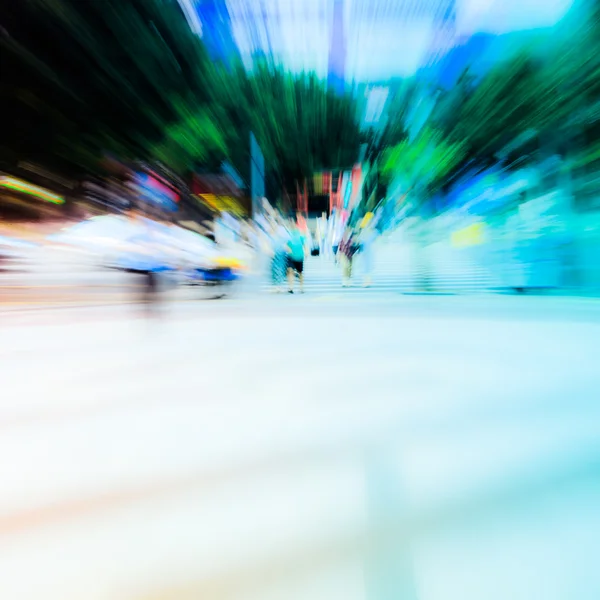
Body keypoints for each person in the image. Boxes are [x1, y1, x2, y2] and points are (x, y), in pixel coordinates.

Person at [286, 221, 306, 294]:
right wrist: (288, 249)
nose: (292, 225)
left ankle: (301, 287)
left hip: (299, 256)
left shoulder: (300, 233)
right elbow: (287, 244)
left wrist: (306, 251)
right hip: (291, 256)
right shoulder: (288, 234)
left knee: (300, 273)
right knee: (290, 271)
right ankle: (291, 288)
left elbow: (304, 243)